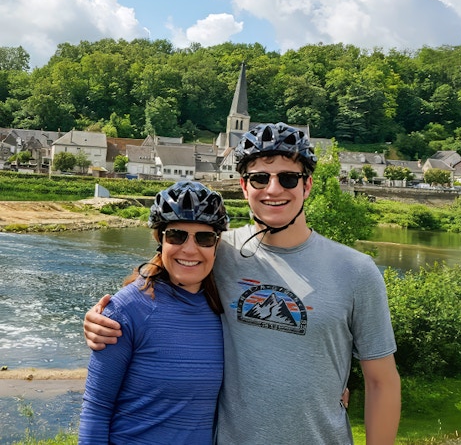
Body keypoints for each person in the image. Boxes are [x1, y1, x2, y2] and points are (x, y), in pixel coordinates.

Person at [84, 122, 401, 444]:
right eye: (260, 178)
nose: (273, 189)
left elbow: (382, 383)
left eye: (288, 178)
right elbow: (163, 273)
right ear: (244, 186)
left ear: (307, 185)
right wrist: (104, 318)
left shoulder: (356, 270)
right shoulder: (217, 250)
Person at [78, 181, 228, 445]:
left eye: (204, 238)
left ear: (217, 245)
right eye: (176, 236)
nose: (190, 249)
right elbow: (96, 409)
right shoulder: (126, 309)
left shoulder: (225, 308)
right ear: (160, 239)